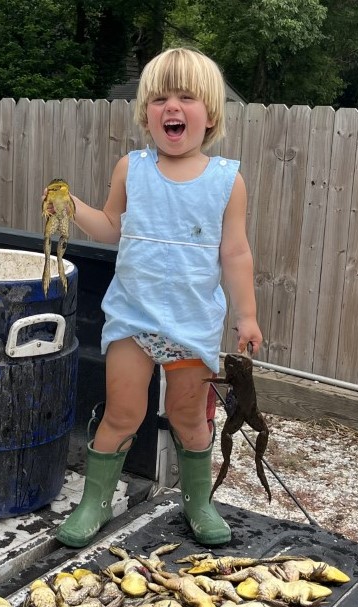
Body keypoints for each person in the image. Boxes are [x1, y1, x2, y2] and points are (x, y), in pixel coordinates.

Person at [53, 46, 262, 549]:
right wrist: (70, 204)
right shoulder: (132, 168)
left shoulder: (227, 181)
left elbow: (235, 253)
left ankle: (198, 502)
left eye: (186, 97)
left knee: (189, 418)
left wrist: (248, 315)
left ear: (210, 114)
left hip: (191, 323)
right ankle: (94, 503)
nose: (172, 106)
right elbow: (110, 226)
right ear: (146, 113)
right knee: (122, 414)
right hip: (133, 317)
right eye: (159, 98)